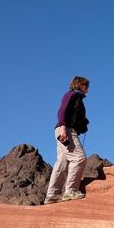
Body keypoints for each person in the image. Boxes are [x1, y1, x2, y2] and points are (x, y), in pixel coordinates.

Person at [44, 76, 90, 204]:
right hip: (66, 130)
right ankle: (71, 190)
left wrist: (82, 123)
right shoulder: (72, 95)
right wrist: (64, 127)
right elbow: (62, 111)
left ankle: (52, 194)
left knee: (62, 161)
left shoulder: (76, 97)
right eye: (85, 85)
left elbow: (71, 114)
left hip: (62, 129)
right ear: (78, 85)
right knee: (79, 157)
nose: (87, 88)